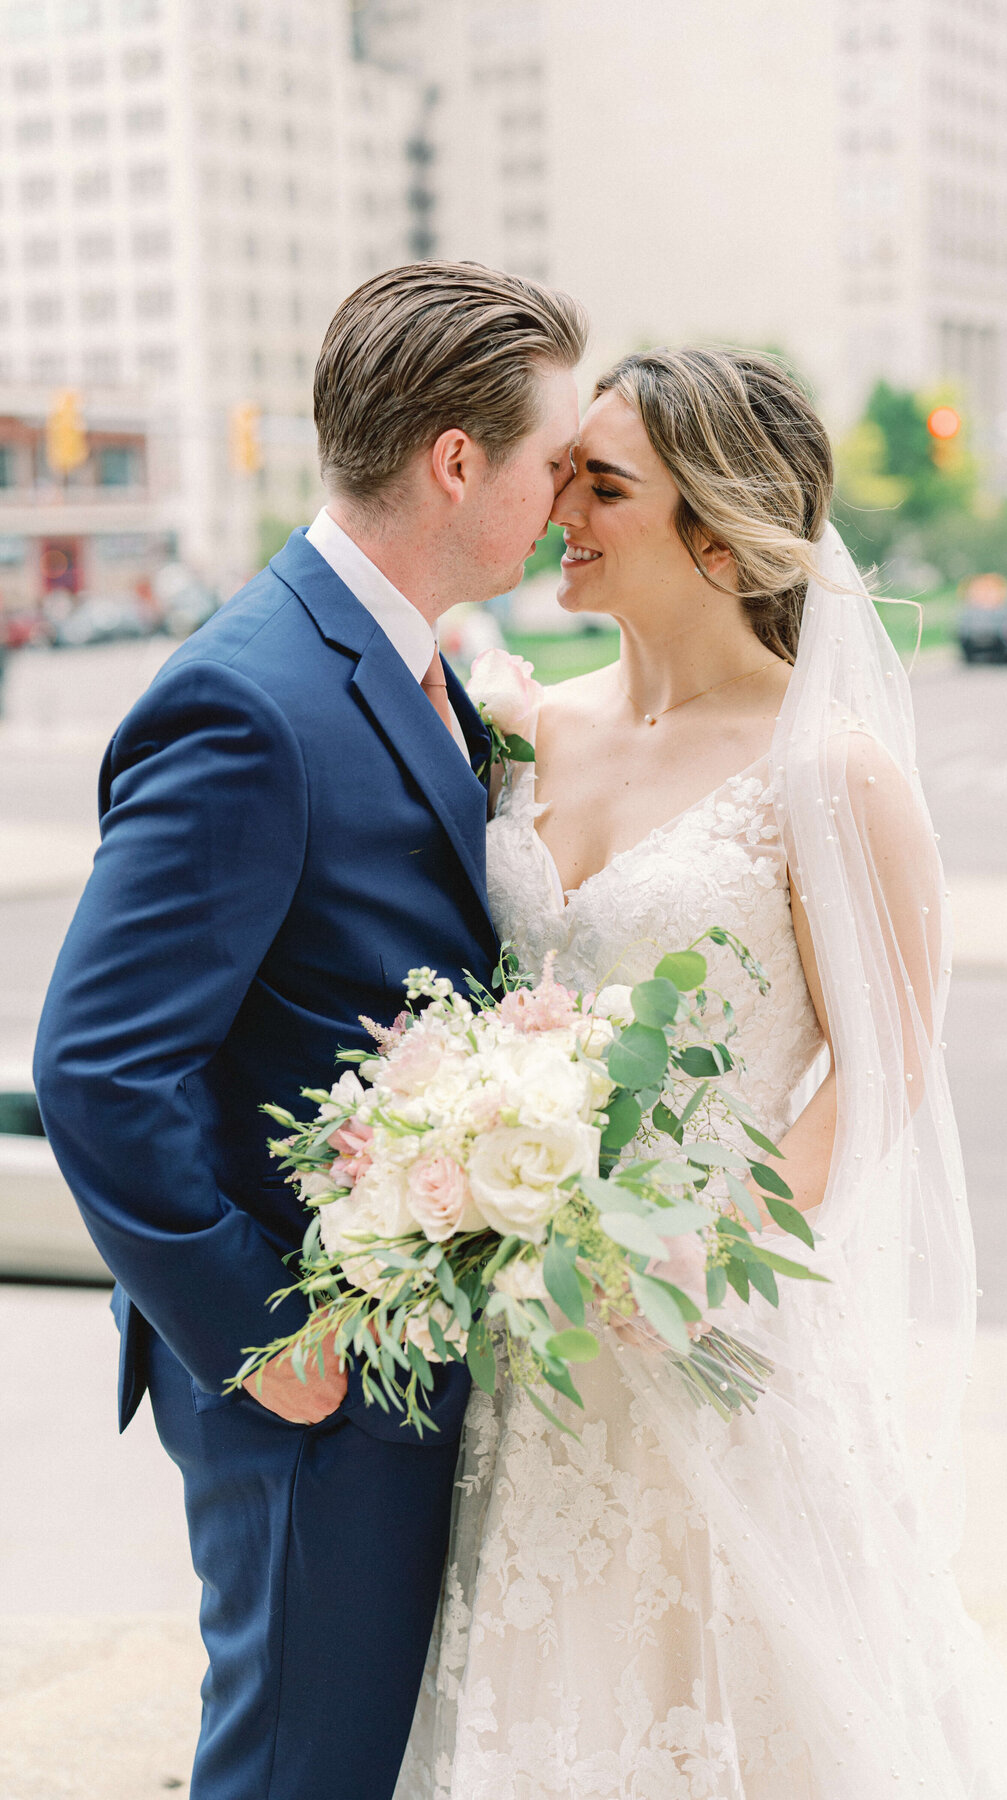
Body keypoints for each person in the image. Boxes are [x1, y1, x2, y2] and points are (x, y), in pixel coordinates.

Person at [400, 348, 1007, 1798]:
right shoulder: (523, 729)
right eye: (564, 471)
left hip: (713, 1343)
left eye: (601, 483)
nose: (558, 501)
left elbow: (883, 1080)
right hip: (531, 1347)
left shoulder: (830, 772)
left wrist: (703, 1246)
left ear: (719, 529)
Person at [33, 261, 584, 1800]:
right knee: (297, 1770)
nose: (562, 497)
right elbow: (96, 1065)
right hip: (311, 1386)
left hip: (412, 1359)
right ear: (456, 461)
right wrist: (264, 1340)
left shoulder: (413, 658)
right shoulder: (250, 700)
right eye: (549, 460)